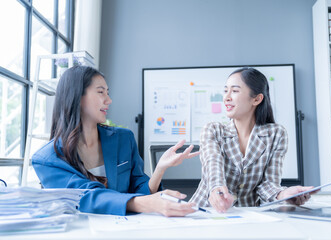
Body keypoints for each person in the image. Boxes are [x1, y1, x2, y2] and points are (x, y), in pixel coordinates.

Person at [32, 66, 200, 216]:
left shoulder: (123, 139)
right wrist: (145, 203)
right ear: (77, 97)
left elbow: (139, 190)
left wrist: (160, 169)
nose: (109, 100)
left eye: (108, 92)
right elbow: (85, 196)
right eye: (100, 92)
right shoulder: (47, 160)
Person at [190, 67, 315, 213]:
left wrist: (283, 194)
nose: (226, 97)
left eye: (235, 91)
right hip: (205, 211)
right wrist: (217, 189)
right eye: (226, 91)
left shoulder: (276, 134)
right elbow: (213, 166)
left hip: (248, 215)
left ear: (256, 99)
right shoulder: (213, 130)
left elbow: (268, 184)